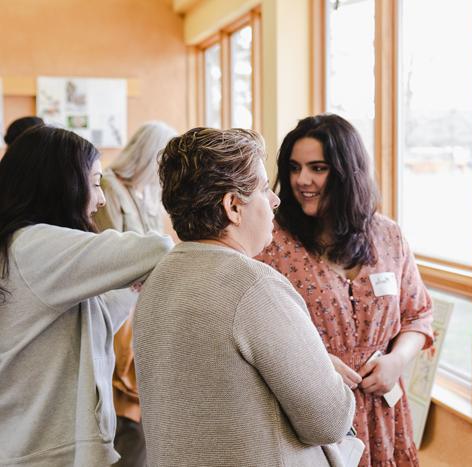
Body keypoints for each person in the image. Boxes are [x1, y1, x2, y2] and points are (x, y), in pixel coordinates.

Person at [133, 127, 355, 467]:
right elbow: (329, 420)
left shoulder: (161, 276)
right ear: (233, 206)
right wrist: (326, 369)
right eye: (265, 189)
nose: (276, 200)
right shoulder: (254, 287)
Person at [257, 114, 434, 466]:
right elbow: (257, 333)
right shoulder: (271, 242)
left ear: (346, 173)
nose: (301, 180)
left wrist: (395, 361)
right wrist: (316, 362)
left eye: (317, 168)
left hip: (384, 413)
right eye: (293, 168)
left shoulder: (387, 235)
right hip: (313, 413)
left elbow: (419, 315)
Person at [0, 125, 173, 466]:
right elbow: (158, 247)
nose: (102, 198)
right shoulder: (36, 246)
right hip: (42, 451)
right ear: (62, 186)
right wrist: (135, 269)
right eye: (95, 183)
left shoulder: (23, 249)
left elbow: (93, 318)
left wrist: (130, 286)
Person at [93, 121, 176, 467]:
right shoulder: (109, 187)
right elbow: (112, 254)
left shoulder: (144, 195)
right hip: (118, 312)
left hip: (138, 310)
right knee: (128, 416)